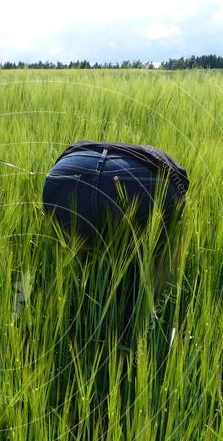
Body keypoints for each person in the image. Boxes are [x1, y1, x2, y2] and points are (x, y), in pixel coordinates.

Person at [42, 139, 190, 342]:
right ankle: (135, 330)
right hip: (142, 185)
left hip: (67, 175)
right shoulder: (170, 172)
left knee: (82, 249)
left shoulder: (86, 148)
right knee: (153, 259)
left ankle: (78, 323)